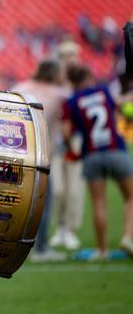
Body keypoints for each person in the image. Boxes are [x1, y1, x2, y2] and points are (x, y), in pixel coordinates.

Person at [62, 65, 133, 259]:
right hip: (115, 149)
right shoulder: (103, 90)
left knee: (99, 203)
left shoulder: (71, 101)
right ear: (90, 76)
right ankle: (128, 237)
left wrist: (72, 151)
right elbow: (119, 107)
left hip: (91, 155)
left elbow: (66, 132)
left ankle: (102, 251)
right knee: (131, 197)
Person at [12, 59, 69, 262]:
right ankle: (41, 248)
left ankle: (11, 246)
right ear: (54, 74)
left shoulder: (20, 88)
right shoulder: (59, 94)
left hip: (16, 154)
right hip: (42, 157)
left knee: (16, 203)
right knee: (43, 204)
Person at [49, 41, 85, 250]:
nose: (69, 59)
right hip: (56, 140)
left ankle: (70, 229)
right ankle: (60, 227)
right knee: (58, 188)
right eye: (65, 56)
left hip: (76, 139)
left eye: (73, 55)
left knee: (74, 188)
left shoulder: (80, 83)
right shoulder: (53, 83)